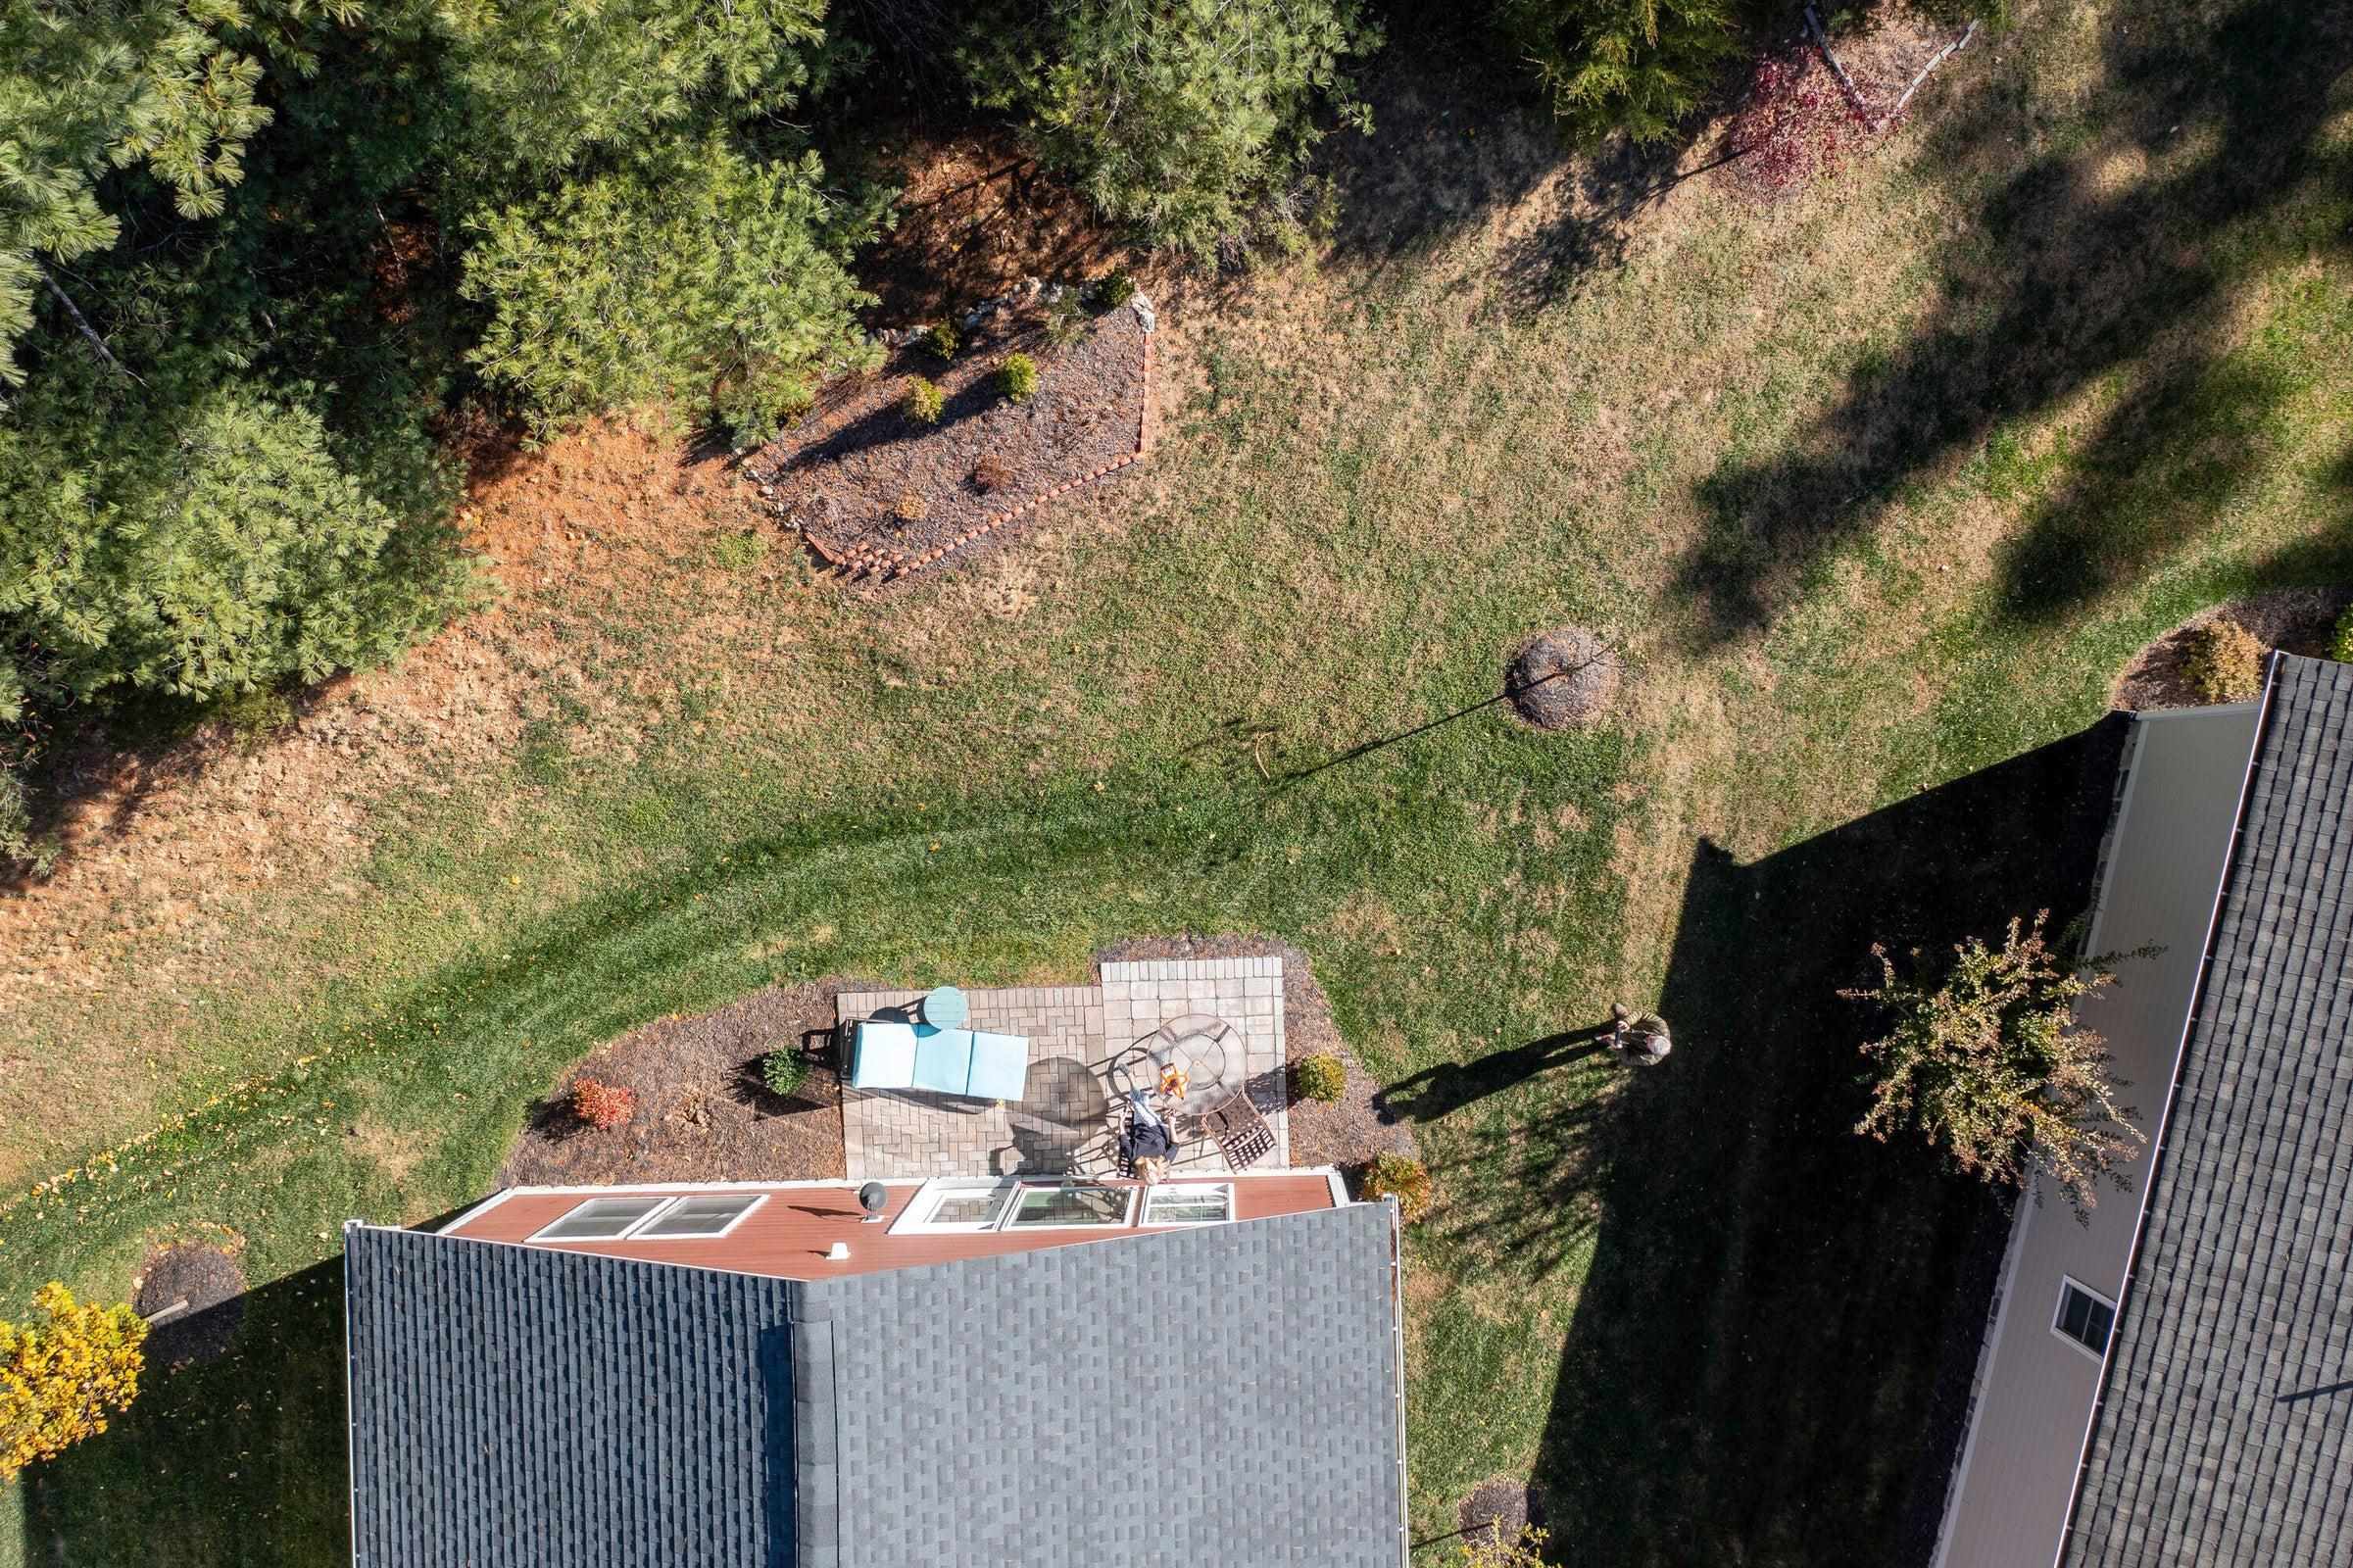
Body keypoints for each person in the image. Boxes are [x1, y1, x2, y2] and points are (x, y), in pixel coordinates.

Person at [1608, 1002, 1672, 1066]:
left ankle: (1607, 1039)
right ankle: (1624, 1015)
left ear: (1651, 1050)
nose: (1648, 1038)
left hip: (1626, 1043)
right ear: (1659, 1036)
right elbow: (1642, 1014)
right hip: (1632, 1025)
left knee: (1606, 1039)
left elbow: (1628, 1059)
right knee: (1623, 1015)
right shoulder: (1660, 1025)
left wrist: (1619, 1049)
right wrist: (1627, 1022)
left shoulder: (1650, 1060)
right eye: (1652, 1038)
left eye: (1649, 1042)